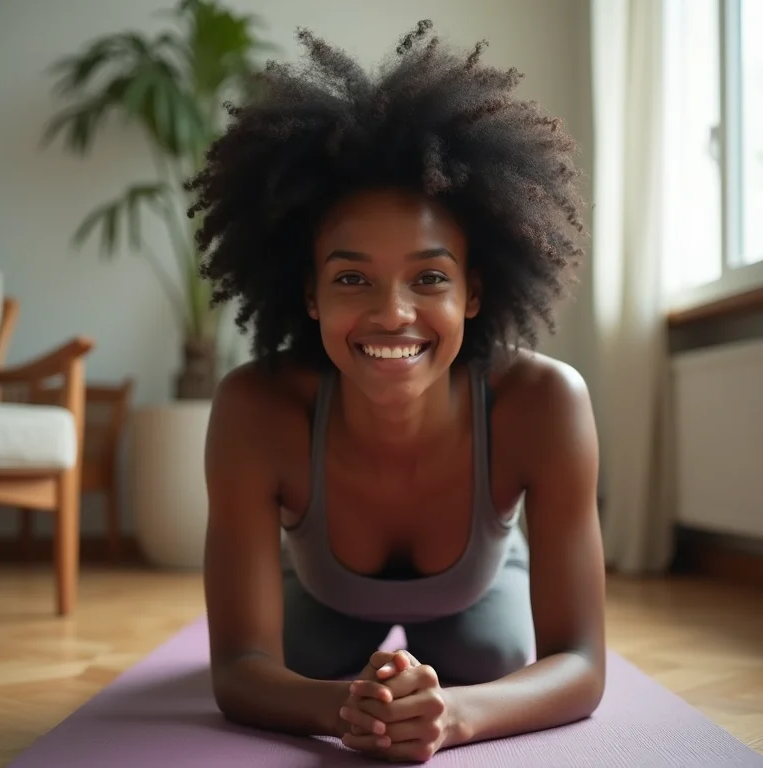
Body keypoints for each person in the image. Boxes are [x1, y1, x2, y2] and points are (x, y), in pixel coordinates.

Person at [188, 19, 606, 764]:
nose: (392, 313)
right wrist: (345, 707)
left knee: (497, 655)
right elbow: (239, 672)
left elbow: (579, 662)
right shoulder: (257, 410)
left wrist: (457, 717)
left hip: (479, 602)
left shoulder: (544, 404)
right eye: (352, 278)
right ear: (308, 294)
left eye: (430, 278)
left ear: (474, 292)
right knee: (308, 655)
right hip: (317, 606)